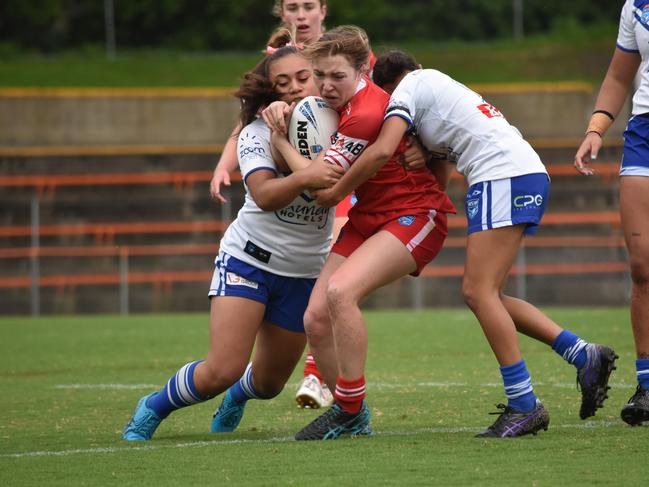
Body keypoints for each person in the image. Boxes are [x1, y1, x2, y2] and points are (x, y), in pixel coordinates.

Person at [312, 48, 619, 438]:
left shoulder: (406, 90)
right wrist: (422, 154)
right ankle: (582, 354)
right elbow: (437, 177)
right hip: (514, 174)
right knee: (490, 294)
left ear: (387, 87)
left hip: (502, 176)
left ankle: (524, 404)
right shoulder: (433, 87)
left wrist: (338, 189)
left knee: (478, 292)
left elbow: (384, 148)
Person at [210, 0, 424, 411]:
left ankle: (317, 372)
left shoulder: (345, 57)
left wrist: (411, 142)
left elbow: (382, 105)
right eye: (294, 7)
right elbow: (248, 117)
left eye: (309, 6)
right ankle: (317, 373)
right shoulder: (276, 65)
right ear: (282, 14)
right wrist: (227, 159)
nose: (302, 15)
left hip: (344, 172)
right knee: (330, 285)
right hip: (308, 184)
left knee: (335, 273)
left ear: (323, 12)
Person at [122, 45, 344, 441]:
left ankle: (238, 397)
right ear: (270, 92)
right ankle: (153, 406)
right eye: (282, 82)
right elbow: (265, 194)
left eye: (302, 77)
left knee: (270, 383)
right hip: (249, 260)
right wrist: (287, 155)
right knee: (221, 370)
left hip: (304, 271)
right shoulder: (256, 132)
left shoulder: (342, 124)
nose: (294, 88)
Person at [264, 26, 456, 440]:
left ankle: (348, 410)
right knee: (315, 319)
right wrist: (282, 109)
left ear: (363, 69)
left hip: (414, 214)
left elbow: (321, 190)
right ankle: (356, 414)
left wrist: (280, 143)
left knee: (340, 293)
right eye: (320, 75)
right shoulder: (331, 104)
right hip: (370, 218)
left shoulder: (368, 112)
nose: (326, 86)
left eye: (337, 76)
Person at [574, 0, 649, 426]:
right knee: (642, 266)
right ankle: (648, 385)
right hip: (644, 130)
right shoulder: (635, 5)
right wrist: (596, 128)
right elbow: (620, 75)